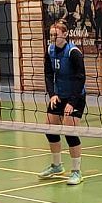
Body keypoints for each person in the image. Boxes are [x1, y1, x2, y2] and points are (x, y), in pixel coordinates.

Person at [38, 21, 86, 186]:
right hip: (59, 95)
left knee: (70, 132)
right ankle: (57, 165)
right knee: (50, 129)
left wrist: (72, 102)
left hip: (75, 96)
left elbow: (81, 78)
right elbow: (48, 74)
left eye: (55, 35)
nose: (53, 38)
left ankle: (76, 171)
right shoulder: (50, 50)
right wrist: (52, 94)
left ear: (65, 35)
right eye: (51, 35)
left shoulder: (73, 52)